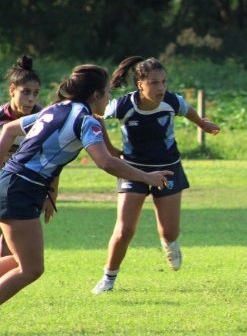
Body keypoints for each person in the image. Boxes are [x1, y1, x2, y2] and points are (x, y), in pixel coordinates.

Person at [0, 64, 172, 306]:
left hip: (13, 184)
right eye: (108, 93)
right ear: (96, 95)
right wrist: (147, 177)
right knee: (31, 268)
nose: (109, 98)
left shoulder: (57, 108)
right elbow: (106, 162)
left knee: (22, 261)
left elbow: (8, 130)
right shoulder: (86, 121)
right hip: (21, 189)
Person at [91, 56, 220, 295]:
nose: (160, 88)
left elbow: (188, 110)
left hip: (168, 167)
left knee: (170, 231)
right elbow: (95, 118)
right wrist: (109, 150)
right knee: (124, 230)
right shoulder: (123, 106)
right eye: (154, 82)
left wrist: (202, 124)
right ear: (140, 84)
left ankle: (169, 244)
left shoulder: (171, 101)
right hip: (133, 170)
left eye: (163, 82)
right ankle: (108, 278)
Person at [0, 55, 44, 257]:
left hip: (22, 189)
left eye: (35, 93)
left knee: (11, 242)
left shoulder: (44, 119)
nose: (31, 99)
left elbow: (48, 157)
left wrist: (52, 193)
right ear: (11, 90)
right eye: (25, 92)